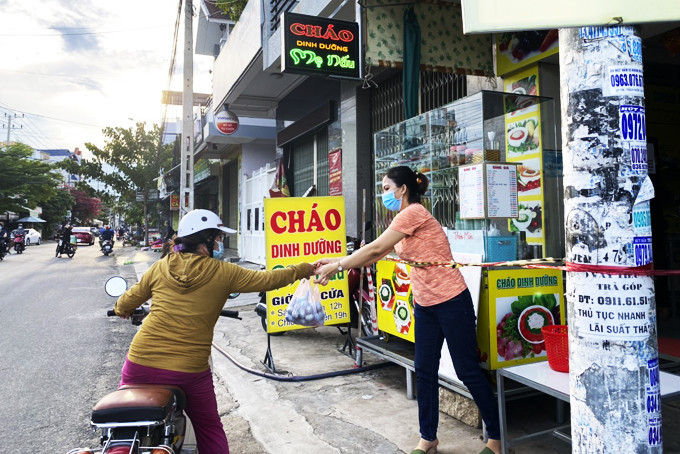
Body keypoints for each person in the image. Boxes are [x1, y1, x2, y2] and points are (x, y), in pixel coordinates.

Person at [315, 166, 501, 454]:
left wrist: (337, 265)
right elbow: (380, 251)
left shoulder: (412, 212)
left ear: (403, 189)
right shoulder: (401, 220)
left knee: (467, 371)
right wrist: (336, 259)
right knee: (424, 370)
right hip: (426, 304)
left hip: (452, 301)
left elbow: (375, 250)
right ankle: (428, 438)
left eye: (387, 187)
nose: (383, 193)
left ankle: (496, 439)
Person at [113, 209, 315, 453]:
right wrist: (306, 268)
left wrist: (122, 309)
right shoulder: (223, 273)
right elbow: (269, 280)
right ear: (206, 240)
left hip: (140, 362)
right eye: (218, 238)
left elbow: (125, 303)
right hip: (188, 370)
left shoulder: (160, 267)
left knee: (124, 418)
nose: (220, 244)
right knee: (208, 426)